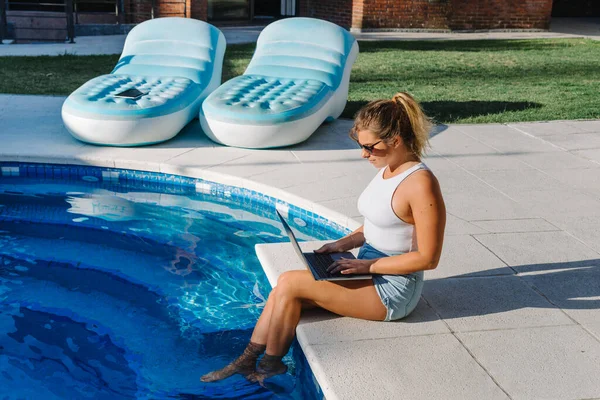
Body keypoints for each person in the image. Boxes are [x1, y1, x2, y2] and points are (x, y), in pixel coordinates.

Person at [201, 92, 446, 384]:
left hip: (393, 290)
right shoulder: (387, 169)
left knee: (290, 283)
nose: (363, 154)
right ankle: (248, 360)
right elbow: (378, 224)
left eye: (369, 147)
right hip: (365, 273)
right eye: (360, 145)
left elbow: (428, 258)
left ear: (395, 141)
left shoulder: (421, 184)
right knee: (284, 292)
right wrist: (342, 244)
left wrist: (367, 267)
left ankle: (268, 367)